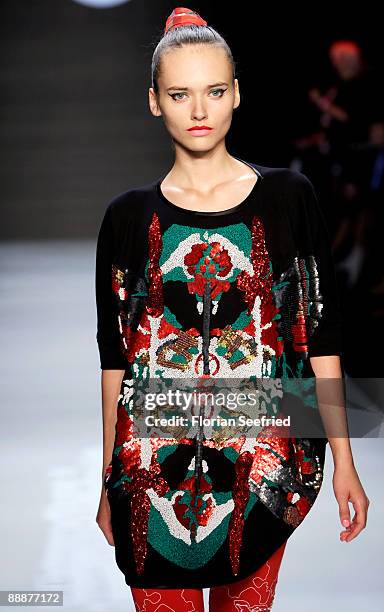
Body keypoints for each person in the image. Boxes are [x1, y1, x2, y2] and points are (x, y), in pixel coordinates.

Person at [95, 7, 370, 611]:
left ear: (236, 94)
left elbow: (318, 336)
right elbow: (116, 361)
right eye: (180, 94)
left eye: (215, 91)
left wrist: (347, 459)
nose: (199, 111)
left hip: (261, 456)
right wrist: (106, 479)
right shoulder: (125, 217)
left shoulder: (288, 197)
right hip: (150, 461)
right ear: (154, 102)